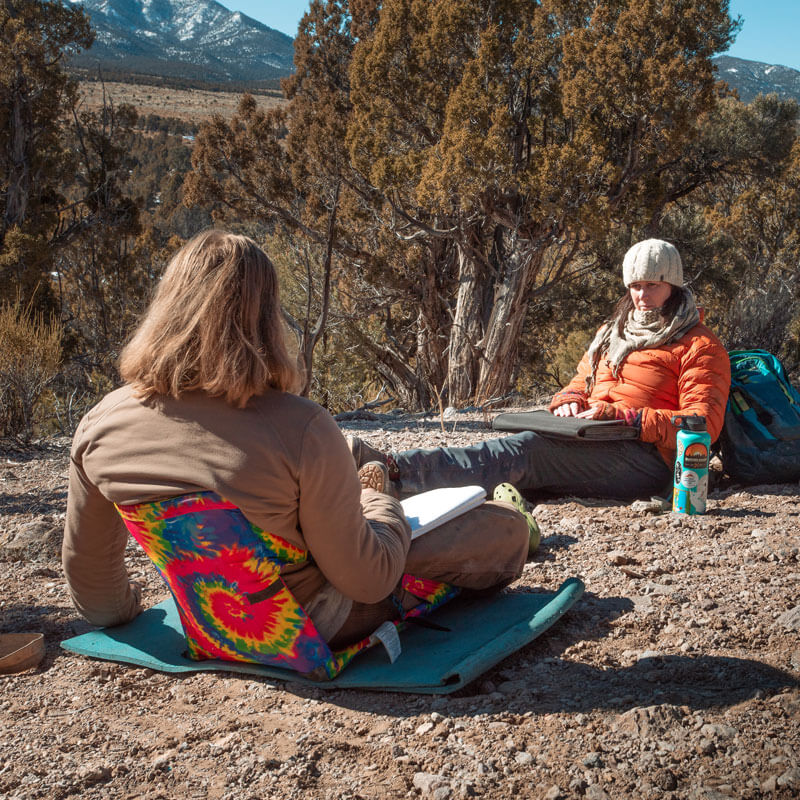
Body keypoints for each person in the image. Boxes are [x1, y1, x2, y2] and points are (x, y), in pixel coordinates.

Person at [62, 230, 530, 661]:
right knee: (500, 530)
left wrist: (133, 611)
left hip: (211, 626)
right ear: (265, 319)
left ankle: (361, 485)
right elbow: (367, 580)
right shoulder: (300, 425)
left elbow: (95, 588)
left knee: (336, 465)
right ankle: (499, 515)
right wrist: (380, 506)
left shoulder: (100, 425)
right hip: (317, 623)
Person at [348, 239, 731, 503]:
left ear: (673, 286)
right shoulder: (612, 333)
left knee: (525, 451)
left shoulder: (700, 345)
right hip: (592, 436)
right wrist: (568, 401)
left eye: (652, 285)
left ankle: (396, 474)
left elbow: (703, 424)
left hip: (649, 461)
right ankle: (387, 469)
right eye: (634, 286)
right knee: (520, 439)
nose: (641, 296)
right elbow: (581, 383)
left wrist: (626, 417)